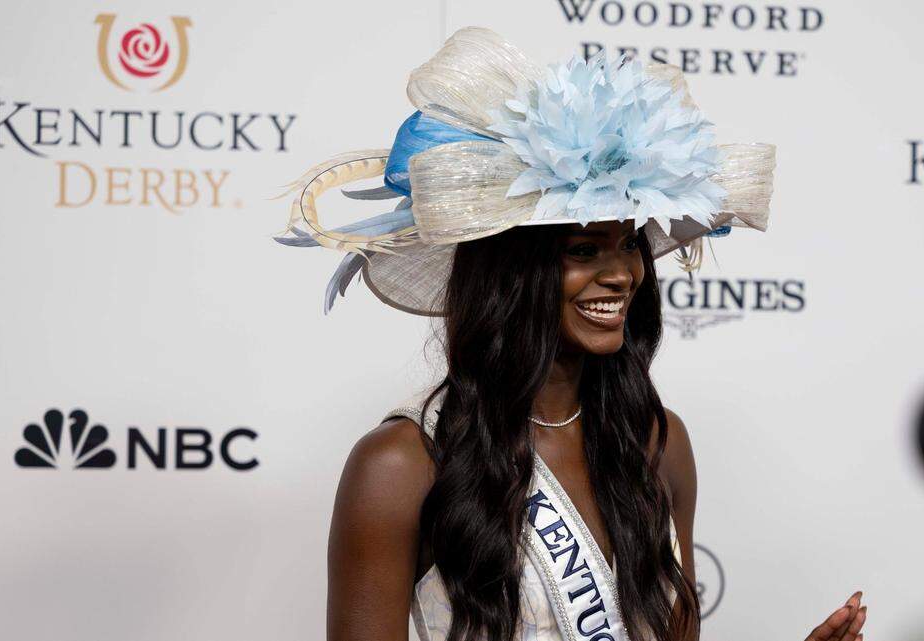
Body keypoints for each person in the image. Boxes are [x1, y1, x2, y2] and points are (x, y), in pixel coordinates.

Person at [275, 26, 868, 641]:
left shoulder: (658, 442)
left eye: (629, 245)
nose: (621, 274)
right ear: (510, 273)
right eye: (583, 249)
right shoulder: (400, 465)